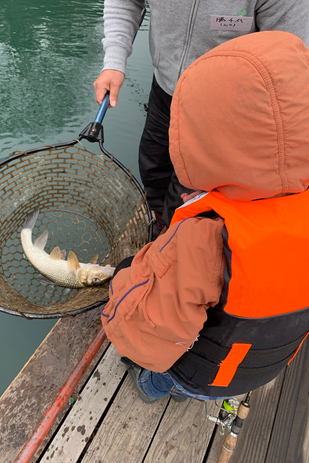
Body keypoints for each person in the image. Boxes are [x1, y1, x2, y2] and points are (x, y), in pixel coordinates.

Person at [101, 31, 309, 403]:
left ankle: (164, 389)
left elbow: (143, 336)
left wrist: (127, 277)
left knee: (156, 375)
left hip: (206, 377)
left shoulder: (203, 240)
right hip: (268, 364)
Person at [94, 0, 309, 234]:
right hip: (165, 90)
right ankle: (158, 225)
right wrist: (114, 59)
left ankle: (175, 244)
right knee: (153, 168)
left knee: (191, 198)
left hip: (228, 113)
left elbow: (284, 61)